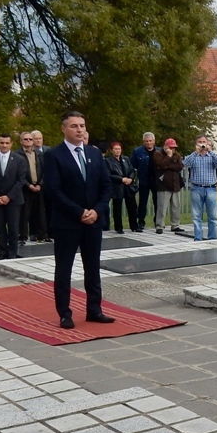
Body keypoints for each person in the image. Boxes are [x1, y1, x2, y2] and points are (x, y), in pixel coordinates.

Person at [42, 111, 113, 329]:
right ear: (63, 129)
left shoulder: (94, 153)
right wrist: (79, 212)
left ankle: (94, 309)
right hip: (67, 222)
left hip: (93, 222)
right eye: (74, 126)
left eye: (82, 125)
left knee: (93, 267)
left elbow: (106, 186)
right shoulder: (54, 155)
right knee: (64, 268)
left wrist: (96, 211)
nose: (79, 130)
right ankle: (65, 313)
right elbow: (54, 190)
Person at [0, 133, 28, 260]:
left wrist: (9, 196)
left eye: (7, 143)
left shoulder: (19, 159)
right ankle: (2, 251)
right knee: (0, 227)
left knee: (13, 228)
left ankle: (13, 252)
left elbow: (21, 180)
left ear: (11, 144)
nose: (4, 145)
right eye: (2, 143)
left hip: (13, 199)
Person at [182, 136, 217, 241]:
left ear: (208, 143)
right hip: (196, 188)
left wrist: (210, 151)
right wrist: (196, 152)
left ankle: (212, 238)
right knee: (196, 216)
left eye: (204, 142)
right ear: (196, 144)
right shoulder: (193, 156)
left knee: (213, 216)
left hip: (211, 189)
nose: (202, 144)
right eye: (200, 142)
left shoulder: (212, 156)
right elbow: (185, 163)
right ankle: (198, 238)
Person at [19, 131, 47, 243]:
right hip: (25, 188)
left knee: (40, 212)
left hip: (39, 186)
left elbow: (45, 170)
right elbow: (19, 174)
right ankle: (23, 236)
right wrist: (28, 185)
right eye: (26, 139)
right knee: (24, 213)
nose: (29, 141)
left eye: (30, 139)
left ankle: (40, 234)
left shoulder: (39, 154)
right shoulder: (17, 155)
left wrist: (40, 184)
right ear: (21, 141)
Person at [105, 142, 137, 234]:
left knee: (132, 207)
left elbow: (132, 170)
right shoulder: (108, 161)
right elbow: (109, 175)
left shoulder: (126, 159)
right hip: (117, 187)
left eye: (119, 149)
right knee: (117, 208)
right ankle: (118, 228)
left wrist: (130, 178)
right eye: (115, 149)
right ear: (111, 150)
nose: (117, 151)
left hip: (128, 186)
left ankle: (134, 226)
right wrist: (121, 179)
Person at [153, 138, 183, 234]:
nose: (172, 149)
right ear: (165, 147)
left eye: (174, 148)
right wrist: (169, 157)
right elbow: (161, 165)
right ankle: (159, 226)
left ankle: (175, 225)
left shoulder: (177, 155)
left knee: (176, 206)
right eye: (170, 147)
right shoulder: (158, 154)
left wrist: (168, 166)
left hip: (175, 185)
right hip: (163, 185)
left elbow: (179, 167)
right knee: (162, 207)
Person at [130, 132, 158, 231]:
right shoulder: (137, 151)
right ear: (143, 142)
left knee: (157, 202)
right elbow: (132, 166)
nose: (149, 143)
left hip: (156, 181)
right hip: (143, 180)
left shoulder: (160, 151)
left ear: (154, 141)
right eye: (146, 141)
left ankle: (157, 222)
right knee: (142, 203)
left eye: (150, 141)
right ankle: (141, 222)